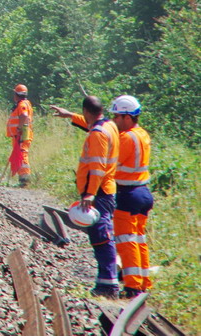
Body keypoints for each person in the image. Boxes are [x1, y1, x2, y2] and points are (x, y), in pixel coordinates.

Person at [53, 95, 154, 298]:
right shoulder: (140, 134)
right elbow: (102, 127)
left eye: (117, 116)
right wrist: (71, 116)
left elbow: (101, 144)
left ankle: (130, 287)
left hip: (126, 193)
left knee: (125, 241)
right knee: (138, 240)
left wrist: (90, 193)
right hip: (142, 191)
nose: (114, 119)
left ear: (127, 117)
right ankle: (142, 283)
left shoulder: (125, 138)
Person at [50, 96, 120, 298]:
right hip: (105, 188)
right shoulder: (109, 125)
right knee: (101, 234)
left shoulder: (98, 134)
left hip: (99, 192)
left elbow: (97, 167)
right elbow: (90, 124)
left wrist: (90, 193)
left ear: (86, 111)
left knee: (101, 236)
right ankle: (106, 281)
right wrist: (70, 115)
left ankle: (109, 285)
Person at [6, 84, 33, 186]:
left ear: (16, 94)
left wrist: (19, 128)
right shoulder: (25, 103)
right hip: (21, 133)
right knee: (20, 154)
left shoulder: (22, 104)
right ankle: (22, 178)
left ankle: (24, 179)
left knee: (22, 154)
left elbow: (24, 115)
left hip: (21, 134)